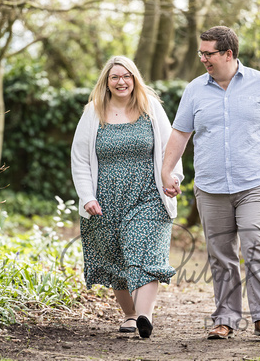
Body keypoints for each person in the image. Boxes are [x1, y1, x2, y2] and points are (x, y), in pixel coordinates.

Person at [161, 26, 260, 339]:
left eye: (208, 53)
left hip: (255, 182)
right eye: (201, 52)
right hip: (210, 187)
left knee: (254, 243)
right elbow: (181, 132)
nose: (203, 58)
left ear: (228, 54)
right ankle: (225, 319)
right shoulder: (194, 90)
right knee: (220, 254)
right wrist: (167, 170)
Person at [71, 55, 183, 339]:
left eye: (127, 76)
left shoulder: (151, 109)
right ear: (106, 83)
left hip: (148, 194)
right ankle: (131, 315)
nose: (121, 81)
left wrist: (172, 179)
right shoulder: (93, 112)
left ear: (135, 79)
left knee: (147, 253)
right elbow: (80, 159)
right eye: (115, 77)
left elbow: (170, 148)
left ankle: (145, 316)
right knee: (115, 259)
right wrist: (87, 196)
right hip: (105, 199)